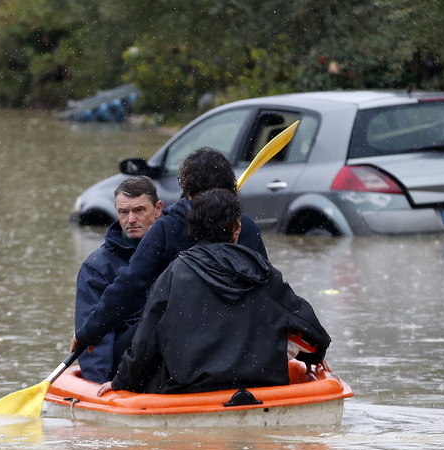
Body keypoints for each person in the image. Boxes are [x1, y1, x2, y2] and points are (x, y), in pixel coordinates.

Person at [96, 188, 330, 395]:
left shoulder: (174, 273)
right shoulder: (264, 272)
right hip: (260, 385)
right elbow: (313, 331)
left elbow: (144, 342)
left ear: (193, 229)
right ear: (236, 227)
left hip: (189, 389)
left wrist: (123, 382)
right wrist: (314, 356)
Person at [71, 147, 268, 364]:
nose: (131, 219)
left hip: (180, 341)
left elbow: (130, 286)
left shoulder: (167, 228)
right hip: (239, 338)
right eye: (124, 212)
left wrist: (89, 332)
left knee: (122, 347)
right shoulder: (247, 226)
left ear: (186, 187)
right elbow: (266, 287)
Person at [74, 176, 163, 383]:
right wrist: (103, 383)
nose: (130, 219)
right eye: (124, 212)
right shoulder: (96, 267)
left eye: (139, 210)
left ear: (158, 209)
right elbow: (95, 341)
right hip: (125, 362)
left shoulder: (175, 250)